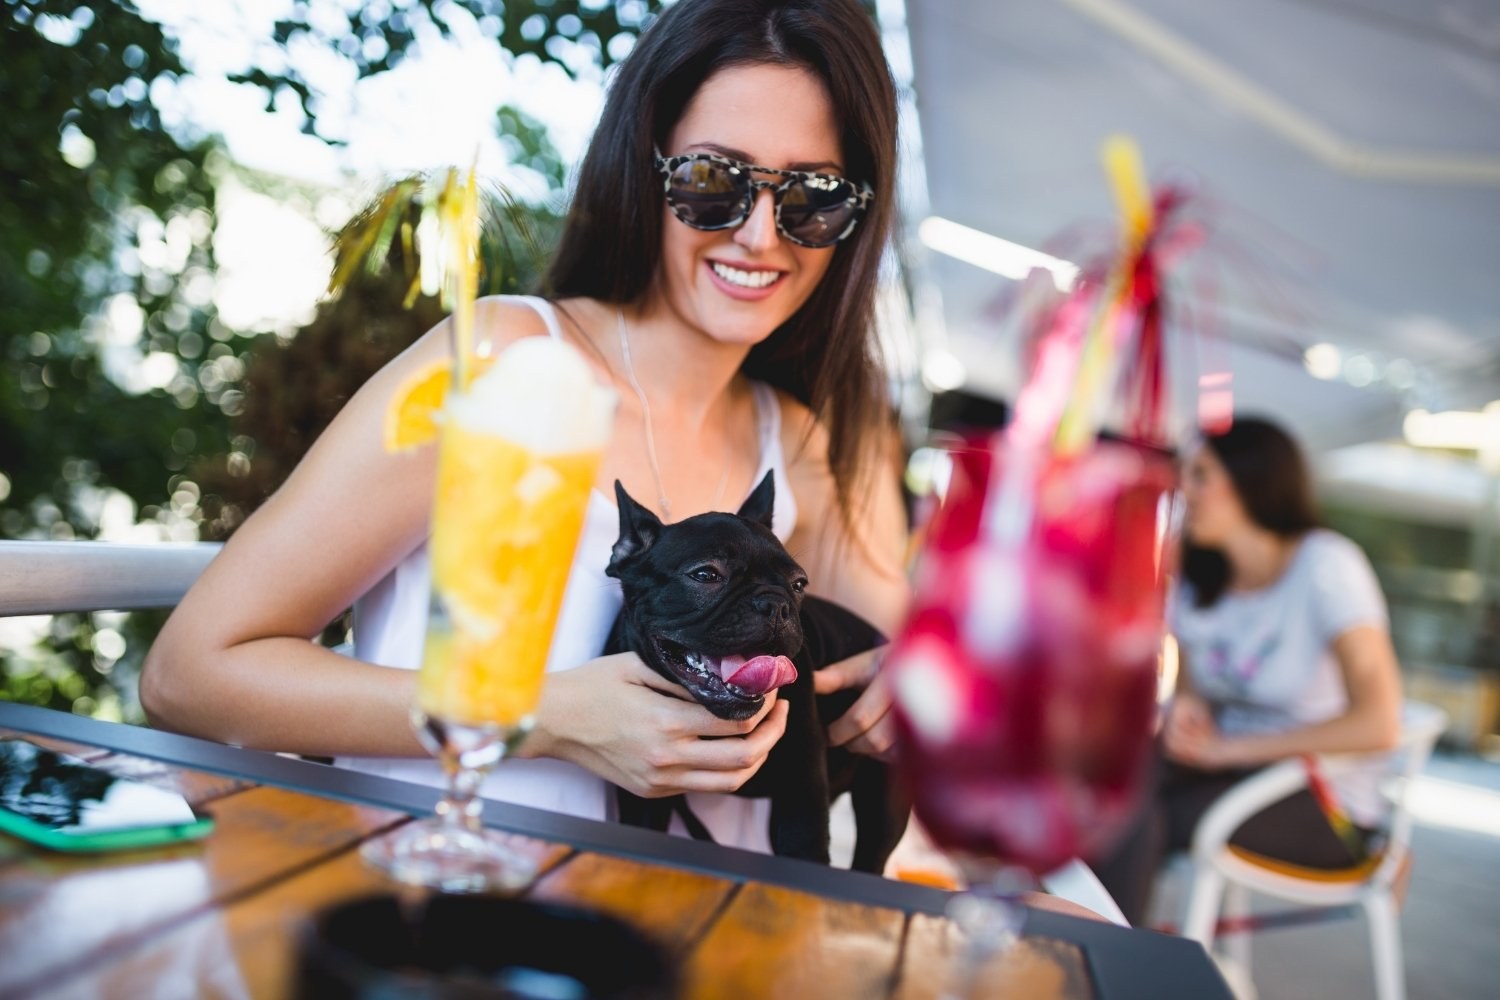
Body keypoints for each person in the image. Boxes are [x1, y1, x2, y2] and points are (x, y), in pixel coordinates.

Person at [140, 0, 908, 853]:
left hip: (701, 950)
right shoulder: (503, 362)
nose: (761, 234)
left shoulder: (810, 446)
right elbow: (191, 674)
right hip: (427, 923)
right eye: (712, 180)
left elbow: (914, 675)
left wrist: (913, 692)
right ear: (643, 166)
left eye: (813, 196)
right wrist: (546, 714)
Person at [1095, 416, 1403, 926]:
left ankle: (1097, 952)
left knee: (1130, 813)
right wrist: (1187, 711)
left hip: (1325, 800)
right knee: (1107, 780)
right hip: (1225, 771)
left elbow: (1379, 724)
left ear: (1253, 478)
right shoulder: (1198, 580)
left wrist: (1228, 750)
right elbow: (1192, 689)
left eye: (1201, 475)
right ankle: (1095, 943)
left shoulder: (1326, 567)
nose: (1183, 488)